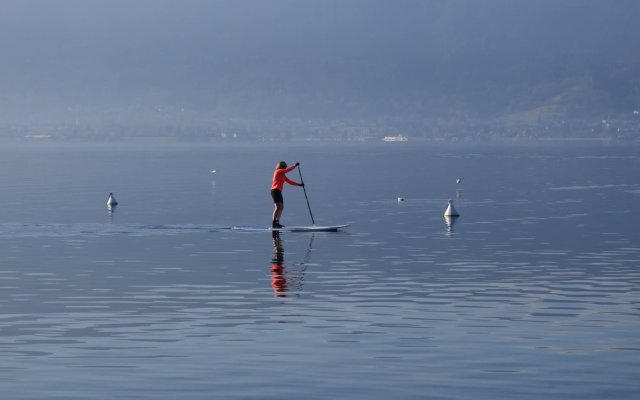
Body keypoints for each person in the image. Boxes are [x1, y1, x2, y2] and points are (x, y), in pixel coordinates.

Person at [270, 161, 303, 228]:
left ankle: (277, 222)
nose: (285, 166)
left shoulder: (283, 175)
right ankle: (274, 223)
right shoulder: (278, 171)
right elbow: (287, 170)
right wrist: (295, 166)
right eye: (284, 166)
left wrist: (299, 184)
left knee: (281, 207)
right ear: (280, 166)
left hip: (278, 191)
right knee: (277, 207)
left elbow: (289, 181)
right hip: (275, 190)